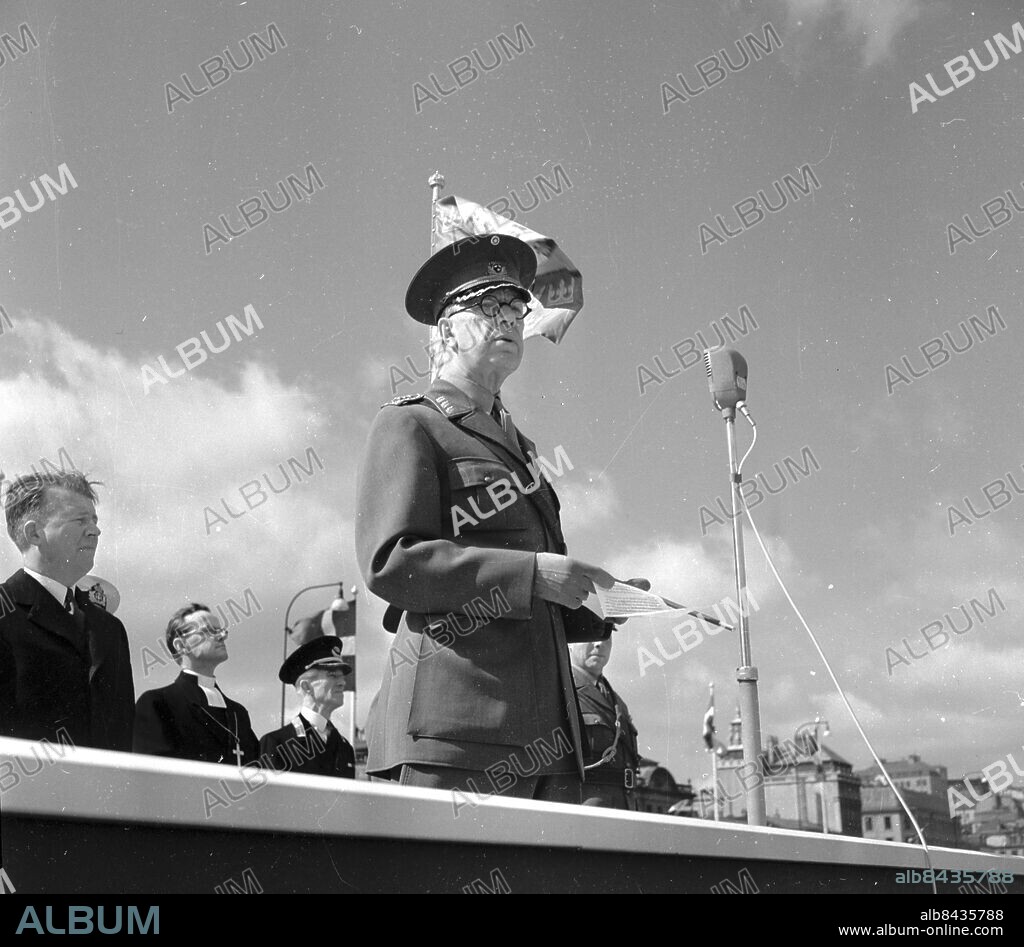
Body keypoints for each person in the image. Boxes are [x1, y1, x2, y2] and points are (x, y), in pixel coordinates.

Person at [356, 233, 645, 804]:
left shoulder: (523, 446)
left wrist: (597, 605)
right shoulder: (412, 425)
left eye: (515, 309)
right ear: (444, 332)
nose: (507, 321)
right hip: (456, 725)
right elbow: (391, 563)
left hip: (544, 734)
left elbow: (533, 580)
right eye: (487, 307)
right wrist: (534, 574)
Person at [0, 471, 134, 750]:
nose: (95, 531)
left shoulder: (110, 629)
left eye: (94, 521)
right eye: (79, 520)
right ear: (34, 532)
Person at [132, 603, 258, 765]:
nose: (221, 636)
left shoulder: (238, 713)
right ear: (181, 646)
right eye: (209, 631)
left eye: (220, 630)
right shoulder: (157, 703)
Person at [259, 636, 355, 778]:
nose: (342, 683)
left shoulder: (345, 748)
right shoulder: (277, 744)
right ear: (306, 686)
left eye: (342, 677)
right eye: (333, 675)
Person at [570, 637, 640, 810]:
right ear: (570, 641)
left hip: (624, 806)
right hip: (582, 807)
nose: (599, 644)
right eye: (590, 636)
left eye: (606, 637)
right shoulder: (562, 691)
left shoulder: (618, 703)